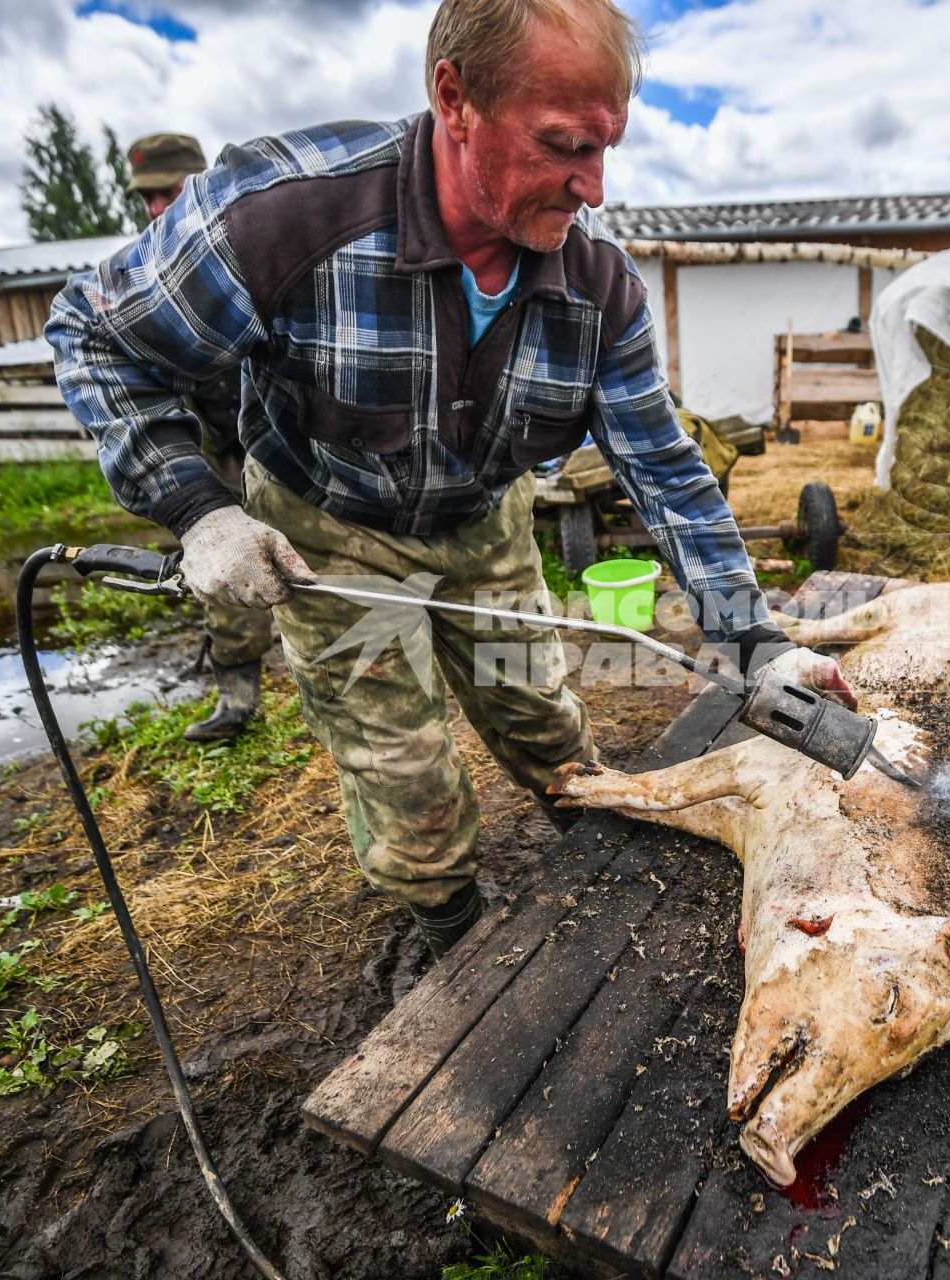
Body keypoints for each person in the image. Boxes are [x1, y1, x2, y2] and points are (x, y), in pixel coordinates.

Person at [49, 0, 853, 959]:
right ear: (454, 97)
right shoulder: (283, 214)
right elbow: (95, 335)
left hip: (483, 528)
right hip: (327, 533)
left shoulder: (599, 290)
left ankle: (600, 858)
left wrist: (755, 636)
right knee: (404, 772)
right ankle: (448, 926)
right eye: (563, 145)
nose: (591, 187)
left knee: (543, 717)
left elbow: (666, 469)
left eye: (606, 148)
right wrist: (197, 508)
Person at [123, 132, 274, 741]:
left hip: (285, 441)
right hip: (216, 447)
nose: (159, 207)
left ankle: (353, 680)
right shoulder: (144, 269)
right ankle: (237, 702)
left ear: (200, 180)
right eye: (148, 196)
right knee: (220, 567)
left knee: (325, 562)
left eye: (170, 190)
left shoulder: (251, 237)